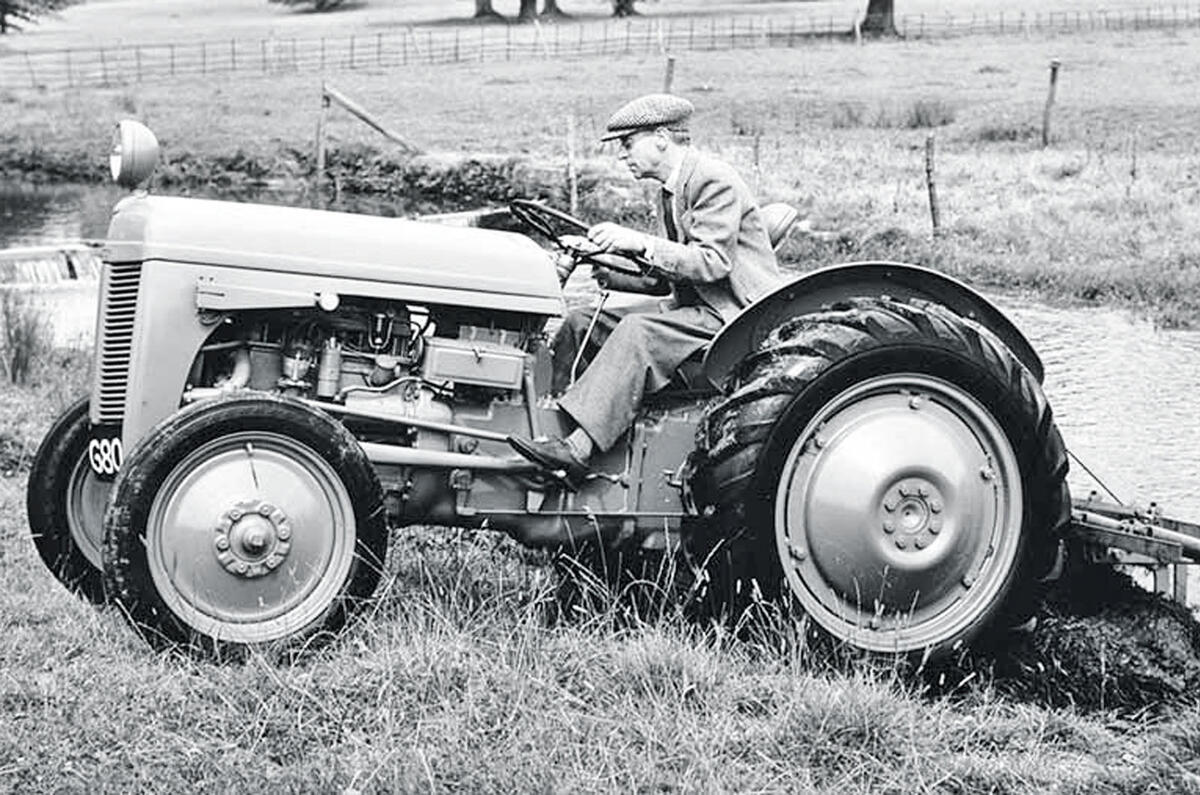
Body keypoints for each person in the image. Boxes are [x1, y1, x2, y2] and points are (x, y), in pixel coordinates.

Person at [510, 93, 782, 485]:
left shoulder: (712, 180)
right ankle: (548, 427)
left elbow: (711, 262)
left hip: (734, 316)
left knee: (638, 333)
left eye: (627, 143)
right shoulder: (669, 190)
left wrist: (639, 242)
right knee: (582, 322)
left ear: (660, 138)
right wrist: (600, 261)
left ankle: (578, 451)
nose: (622, 155)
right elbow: (661, 277)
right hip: (696, 310)